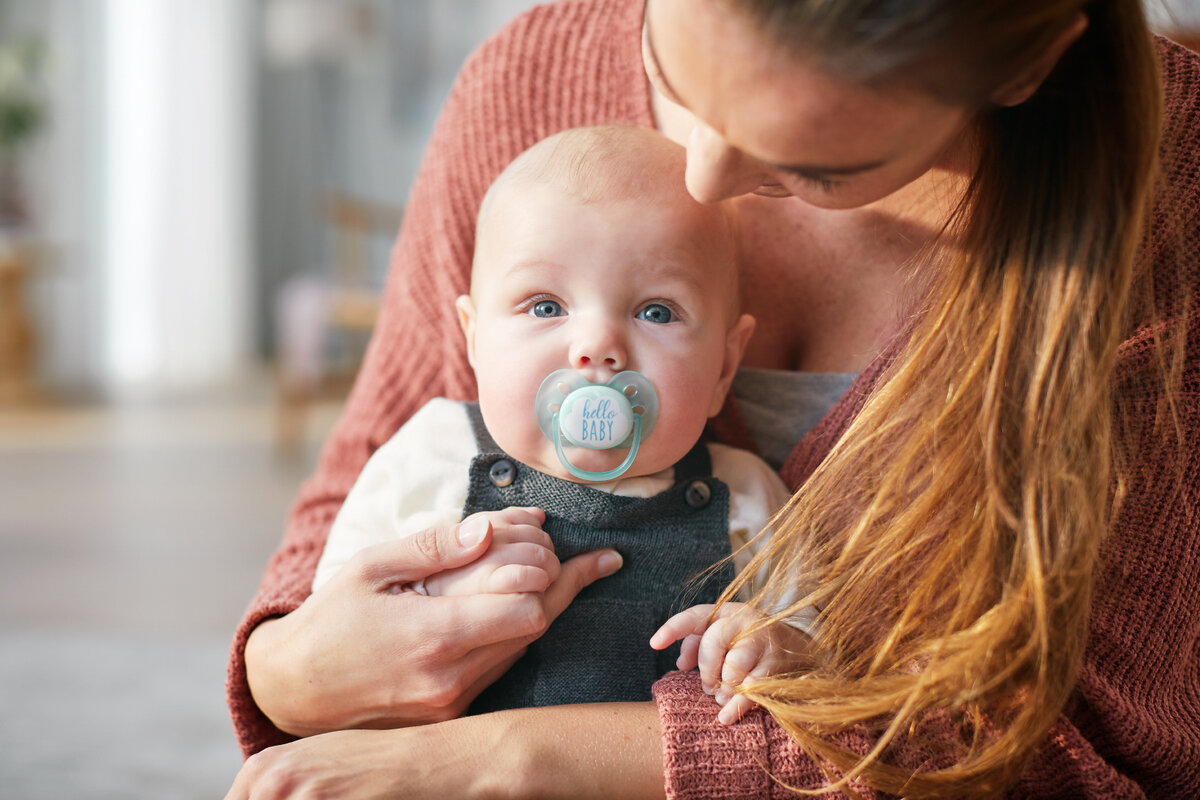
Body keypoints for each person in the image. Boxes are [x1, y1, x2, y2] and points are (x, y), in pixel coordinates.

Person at [226, 0, 1200, 797]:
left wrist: (514, 760)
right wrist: (296, 670)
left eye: (816, 168)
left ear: (1020, 73)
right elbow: (362, 483)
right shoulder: (522, 85)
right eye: (678, 83)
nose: (702, 179)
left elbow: (1077, 751)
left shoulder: (1173, 202)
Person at [310, 124, 800, 718]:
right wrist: (434, 598)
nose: (596, 346)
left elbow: (815, 640)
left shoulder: (745, 496)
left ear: (725, 365)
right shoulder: (430, 453)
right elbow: (335, 619)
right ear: (473, 339)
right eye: (546, 306)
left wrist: (769, 646)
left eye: (656, 311)